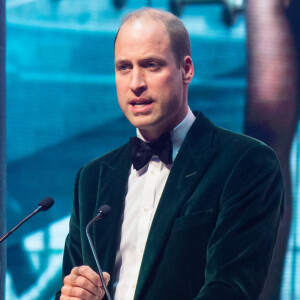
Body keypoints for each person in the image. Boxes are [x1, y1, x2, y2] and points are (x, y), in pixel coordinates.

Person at [55, 8, 284, 300]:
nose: (135, 83)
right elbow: (66, 288)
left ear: (186, 69)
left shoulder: (246, 162)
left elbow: (229, 289)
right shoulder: (91, 178)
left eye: (151, 65)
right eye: (124, 67)